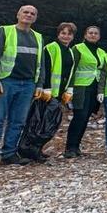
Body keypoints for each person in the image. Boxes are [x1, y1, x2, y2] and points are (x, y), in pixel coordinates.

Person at [0, 5, 46, 166]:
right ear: (18, 14)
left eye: (32, 14)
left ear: (35, 18)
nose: (28, 15)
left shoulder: (38, 37)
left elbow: (41, 63)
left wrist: (40, 84)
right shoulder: (4, 31)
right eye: (25, 12)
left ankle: (9, 153)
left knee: (18, 121)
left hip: (28, 84)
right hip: (5, 81)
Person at [26, 22, 76, 162]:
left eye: (69, 34)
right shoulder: (51, 48)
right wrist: (46, 88)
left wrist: (69, 90)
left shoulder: (70, 51)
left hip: (60, 93)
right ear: (58, 34)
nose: (66, 36)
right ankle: (31, 149)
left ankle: (38, 148)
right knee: (42, 122)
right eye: (63, 33)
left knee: (51, 123)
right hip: (48, 93)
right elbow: (45, 69)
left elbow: (70, 72)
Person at [64, 25, 105, 158]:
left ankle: (77, 146)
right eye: (90, 33)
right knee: (79, 117)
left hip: (94, 88)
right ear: (85, 35)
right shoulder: (78, 48)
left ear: (99, 36)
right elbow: (72, 69)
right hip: (80, 88)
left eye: (95, 33)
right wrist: (69, 88)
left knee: (86, 117)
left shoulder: (101, 52)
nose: (93, 35)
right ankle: (70, 147)